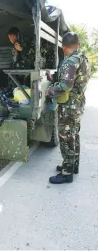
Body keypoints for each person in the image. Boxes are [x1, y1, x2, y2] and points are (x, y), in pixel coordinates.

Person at [46, 32, 90, 184]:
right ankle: (73, 166)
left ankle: (66, 173)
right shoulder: (83, 58)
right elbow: (74, 80)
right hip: (77, 105)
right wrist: (53, 78)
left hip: (68, 107)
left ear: (64, 48)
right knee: (74, 135)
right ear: (77, 44)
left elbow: (65, 85)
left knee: (66, 138)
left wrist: (50, 90)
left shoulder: (70, 61)